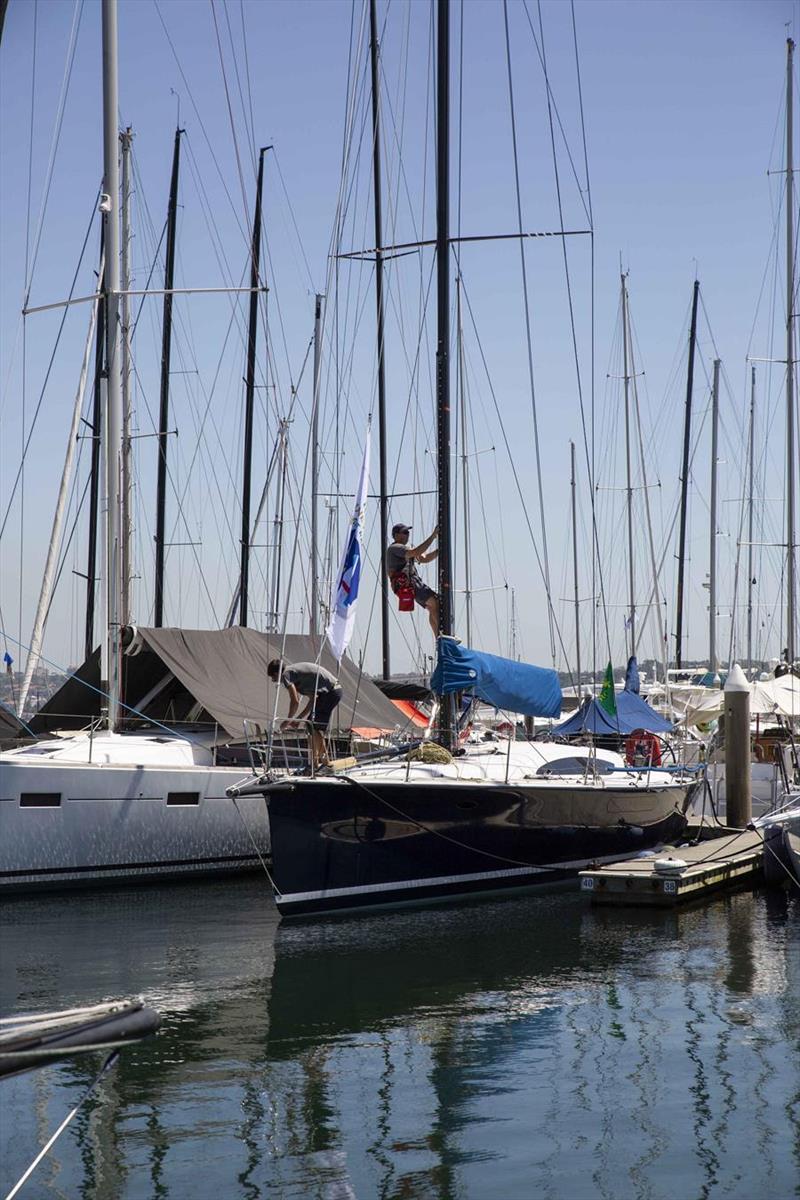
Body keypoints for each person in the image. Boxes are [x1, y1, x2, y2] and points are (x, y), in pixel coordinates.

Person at [267, 658, 343, 769]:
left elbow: (295, 701)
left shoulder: (286, 675)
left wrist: (287, 721)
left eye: (273, 677)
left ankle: (324, 763)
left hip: (332, 692)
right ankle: (316, 763)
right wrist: (298, 719)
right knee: (310, 725)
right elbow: (313, 700)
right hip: (331, 692)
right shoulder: (295, 675)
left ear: (277, 673)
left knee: (314, 726)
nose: (274, 681)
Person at [386, 523, 439, 636]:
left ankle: (439, 638)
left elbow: (424, 558)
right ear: (396, 535)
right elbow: (416, 552)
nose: (407, 535)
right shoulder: (395, 548)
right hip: (409, 583)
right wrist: (433, 536)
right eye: (405, 532)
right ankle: (442, 636)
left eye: (408, 532)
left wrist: (440, 550)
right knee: (435, 603)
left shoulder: (405, 550)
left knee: (432, 606)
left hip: (410, 585)